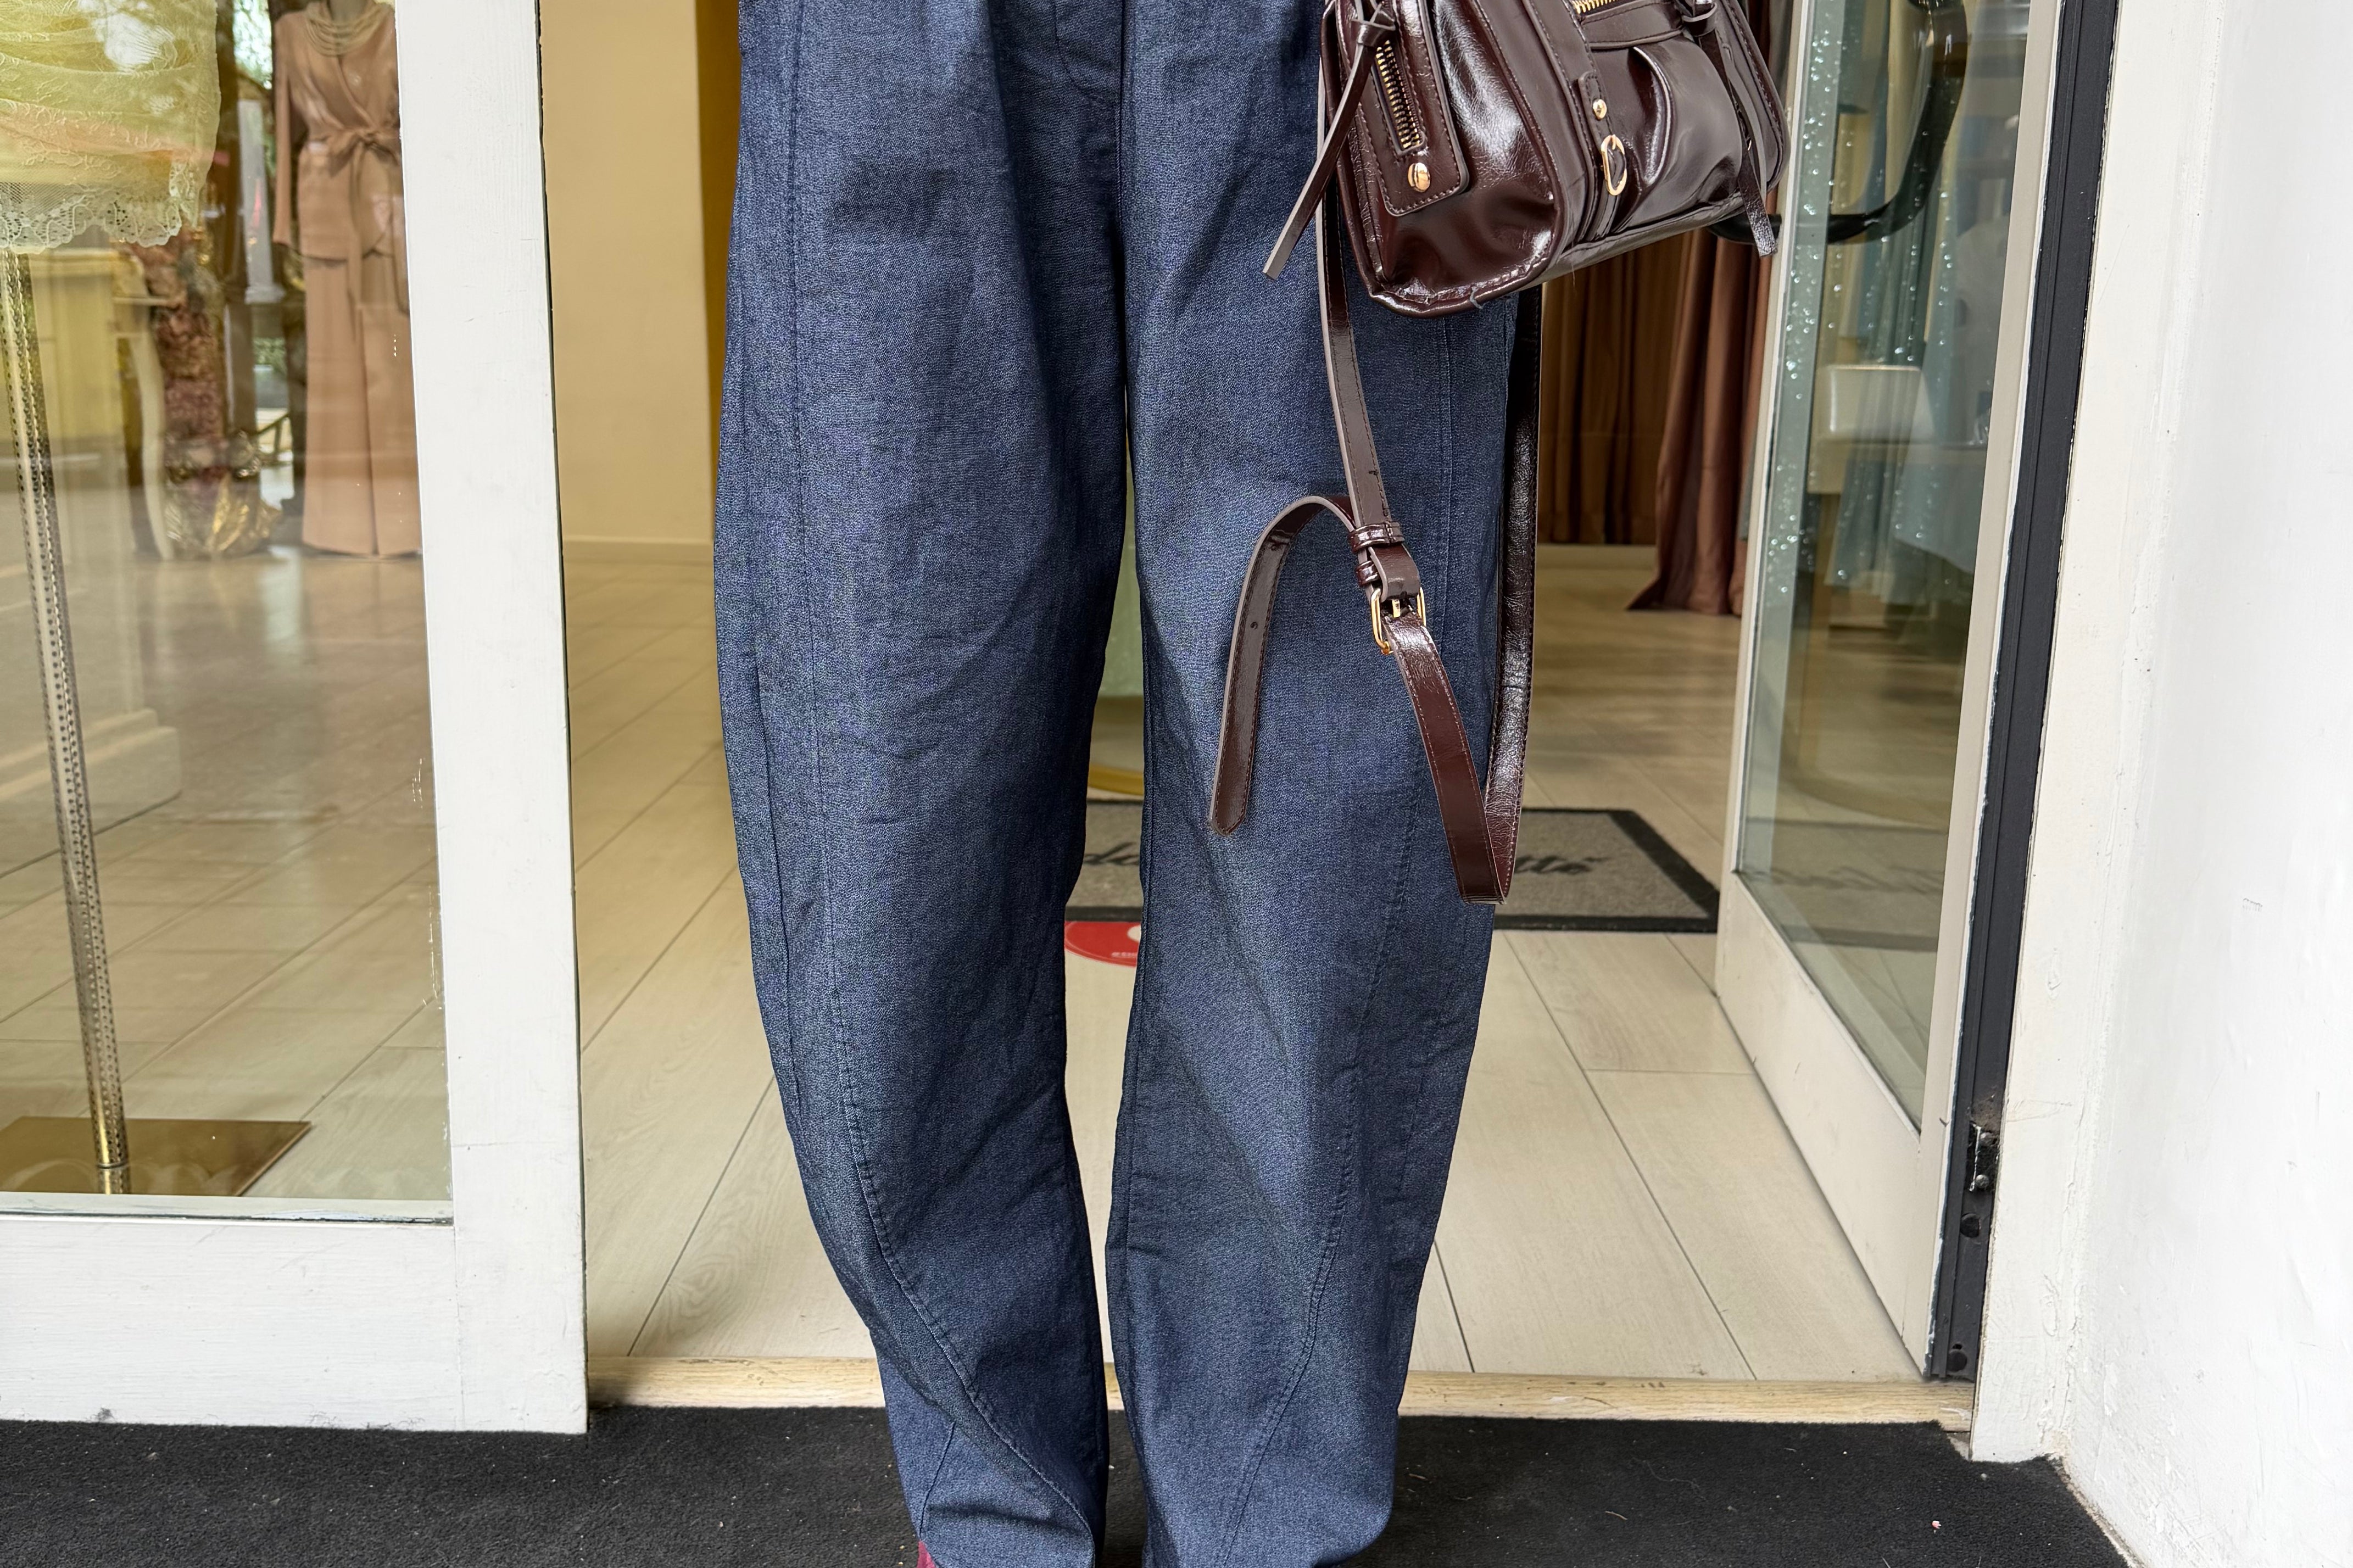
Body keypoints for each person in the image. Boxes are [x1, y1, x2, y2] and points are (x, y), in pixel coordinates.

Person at [714, 2, 1513, 1561]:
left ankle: (1264, 1510)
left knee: (1329, 794)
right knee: (881, 772)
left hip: (1346, 31)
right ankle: (990, 1501)